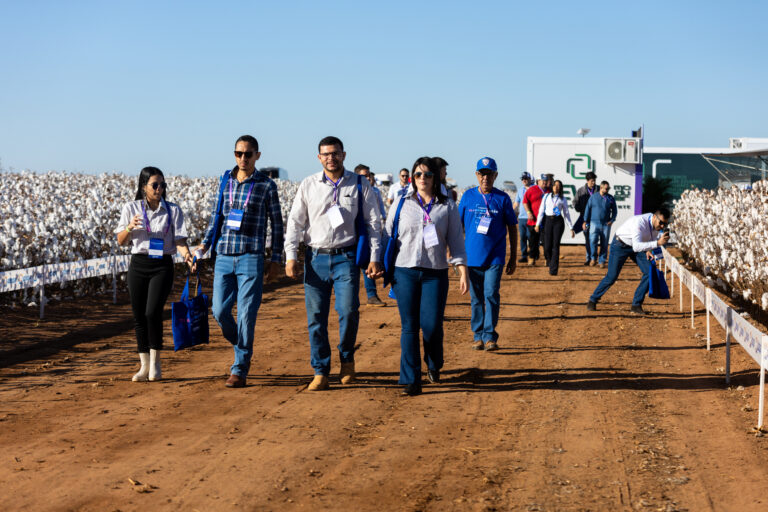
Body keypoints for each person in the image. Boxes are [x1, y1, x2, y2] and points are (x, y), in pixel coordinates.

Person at [285, 136, 383, 391]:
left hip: (346, 258)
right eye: (326, 154)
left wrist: (374, 257)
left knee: (348, 311)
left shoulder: (359, 184)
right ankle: (321, 370)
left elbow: (374, 223)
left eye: (335, 153)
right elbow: (295, 222)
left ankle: (347, 359)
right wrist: (291, 255)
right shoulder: (308, 185)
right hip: (316, 257)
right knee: (316, 317)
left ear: (344, 155)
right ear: (319, 158)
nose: (331, 158)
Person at [197, 135, 284, 389]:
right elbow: (217, 219)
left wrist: (276, 259)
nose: (242, 158)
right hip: (224, 255)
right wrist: (204, 245)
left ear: (258, 155)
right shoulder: (225, 181)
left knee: (246, 313)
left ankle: (240, 367)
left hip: (251, 256)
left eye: (247, 154)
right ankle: (241, 344)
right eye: (238, 153)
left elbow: (277, 225)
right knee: (220, 311)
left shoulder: (267, 186)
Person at [388, 156, 468, 396]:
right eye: (418, 174)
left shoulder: (447, 206)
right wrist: (377, 262)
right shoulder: (401, 202)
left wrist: (462, 269)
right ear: (413, 178)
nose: (423, 178)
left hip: (435, 273)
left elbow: (456, 240)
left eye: (428, 174)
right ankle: (411, 379)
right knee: (409, 326)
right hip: (405, 270)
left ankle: (434, 363)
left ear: (436, 178)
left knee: (432, 326)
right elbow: (387, 233)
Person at [116, 166, 195, 382]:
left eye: (162, 185)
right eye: (155, 185)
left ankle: (156, 362)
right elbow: (121, 241)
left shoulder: (173, 210)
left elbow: (179, 240)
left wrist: (187, 256)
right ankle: (144, 366)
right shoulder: (131, 208)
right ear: (143, 187)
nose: (159, 189)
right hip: (139, 263)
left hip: (162, 265)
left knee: (152, 312)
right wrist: (130, 227)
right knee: (139, 314)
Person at [458, 157, 517, 351]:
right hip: (472, 258)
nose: (485, 178)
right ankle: (478, 335)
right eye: (482, 173)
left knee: (491, 294)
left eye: (489, 174)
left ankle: (490, 335)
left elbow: (512, 227)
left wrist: (513, 256)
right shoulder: (467, 197)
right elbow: (457, 228)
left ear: (495, 175)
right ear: (476, 175)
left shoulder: (502, 198)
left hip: (495, 257)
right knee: (476, 298)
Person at [587, 208, 671, 315]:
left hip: (636, 247)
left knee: (650, 271)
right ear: (654, 217)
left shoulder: (656, 225)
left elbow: (646, 241)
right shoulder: (640, 222)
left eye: (665, 224)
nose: (662, 226)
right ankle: (593, 299)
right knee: (611, 276)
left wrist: (647, 250)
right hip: (620, 245)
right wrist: (657, 243)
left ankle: (636, 305)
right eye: (661, 223)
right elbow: (637, 246)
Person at [355, 164, 386, 306]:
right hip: (355, 231)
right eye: (365, 176)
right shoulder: (352, 190)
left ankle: (372, 295)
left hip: (370, 230)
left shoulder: (375, 192)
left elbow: (379, 211)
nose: (368, 178)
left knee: (368, 262)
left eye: (369, 175)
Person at [535, 180, 574, 276]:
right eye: (555, 185)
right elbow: (541, 210)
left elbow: (566, 214)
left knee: (555, 245)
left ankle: (553, 269)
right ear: (552, 187)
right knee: (547, 246)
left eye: (558, 186)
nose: (556, 187)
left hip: (558, 222)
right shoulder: (546, 197)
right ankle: (549, 259)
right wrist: (537, 224)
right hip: (548, 221)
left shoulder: (562, 199)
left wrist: (571, 228)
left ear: (560, 188)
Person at [583, 181, 617, 268]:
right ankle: (593, 258)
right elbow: (587, 209)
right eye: (606, 188)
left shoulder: (610, 198)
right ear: (601, 188)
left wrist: (612, 220)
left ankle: (602, 261)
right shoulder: (593, 197)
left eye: (608, 188)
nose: (607, 190)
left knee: (604, 243)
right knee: (592, 241)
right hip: (594, 223)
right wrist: (585, 221)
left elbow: (614, 211)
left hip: (606, 224)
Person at [522, 173, 550, 266]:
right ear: (538, 181)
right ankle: (532, 258)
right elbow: (525, 202)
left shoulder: (549, 191)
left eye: (546, 181)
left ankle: (548, 259)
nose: (545, 183)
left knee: (547, 242)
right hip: (533, 220)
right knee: (533, 241)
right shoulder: (532, 190)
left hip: (546, 221)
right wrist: (529, 212)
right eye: (543, 181)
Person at [575, 172, 598, 266]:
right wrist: (579, 208)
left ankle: (594, 258)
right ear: (587, 180)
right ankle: (589, 258)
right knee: (588, 239)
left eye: (594, 181)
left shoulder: (598, 189)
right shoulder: (581, 191)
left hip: (596, 219)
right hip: (585, 219)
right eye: (592, 181)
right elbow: (575, 202)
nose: (593, 182)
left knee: (594, 239)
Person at [512, 172, 533, 263]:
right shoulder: (520, 190)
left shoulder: (534, 189)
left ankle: (532, 256)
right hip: (521, 218)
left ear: (529, 179)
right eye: (522, 179)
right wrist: (510, 211)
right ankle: (524, 256)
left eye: (525, 178)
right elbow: (516, 203)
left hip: (531, 218)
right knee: (523, 237)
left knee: (530, 237)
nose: (524, 180)